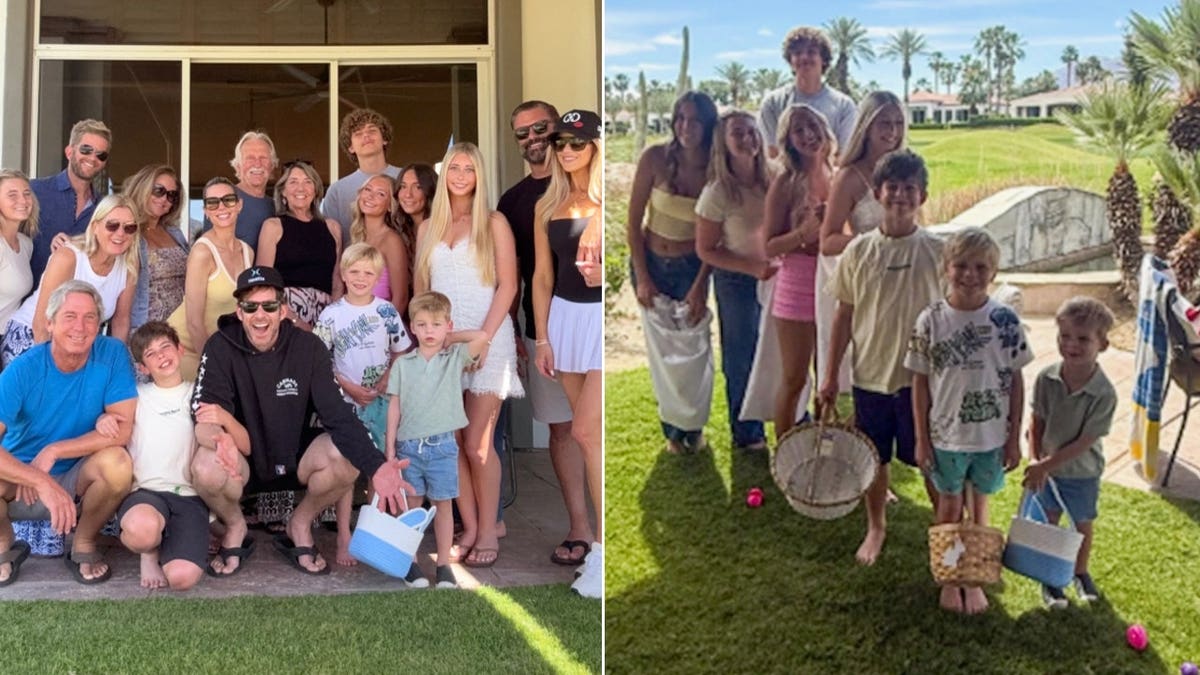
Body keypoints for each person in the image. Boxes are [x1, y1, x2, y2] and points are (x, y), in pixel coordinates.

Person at [190, 266, 414, 576]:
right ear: (239, 312)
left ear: (283, 310)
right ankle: (235, 525)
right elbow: (204, 418)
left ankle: (300, 522)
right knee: (204, 467)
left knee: (346, 459)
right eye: (250, 307)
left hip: (297, 456)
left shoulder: (309, 348)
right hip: (239, 458)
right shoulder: (219, 346)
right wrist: (220, 440)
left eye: (269, 306)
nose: (260, 315)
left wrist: (376, 466)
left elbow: (339, 416)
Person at [817, 149, 945, 566]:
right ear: (877, 193)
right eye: (893, 188)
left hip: (920, 383)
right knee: (873, 458)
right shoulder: (858, 251)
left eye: (910, 189)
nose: (901, 196)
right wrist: (830, 374)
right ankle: (876, 527)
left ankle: (945, 533)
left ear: (922, 196)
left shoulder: (940, 252)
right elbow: (844, 313)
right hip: (869, 377)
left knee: (929, 462)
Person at [906, 227, 1032, 614]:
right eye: (961, 265)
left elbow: (1016, 378)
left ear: (993, 272)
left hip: (991, 437)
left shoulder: (1005, 320)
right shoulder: (930, 320)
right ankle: (949, 579)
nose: (970, 274)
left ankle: (974, 579)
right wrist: (922, 438)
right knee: (947, 507)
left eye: (980, 267)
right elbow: (920, 382)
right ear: (946, 268)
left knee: (979, 509)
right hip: (946, 436)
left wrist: (1013, 438)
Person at [414, 142, 523, 569]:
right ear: (445, 175)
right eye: (454, 168)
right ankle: (474, 527)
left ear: (479, 175)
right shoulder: (427, 228)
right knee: (451, 440)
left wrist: (482, 337)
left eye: (469, 169)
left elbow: (509, 286)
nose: (461, 175)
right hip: (443, 344)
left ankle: (488, 527)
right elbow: (423, 294)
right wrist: (430, 339)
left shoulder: (494, 223)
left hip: (489, 338)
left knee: (479, 444)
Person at [498, 100, 590, 565]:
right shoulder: (514, 202)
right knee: (563, 430)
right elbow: (514, 273)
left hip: (593, 326)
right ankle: (580, 528)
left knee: (597, 428)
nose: (532, 138)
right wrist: (512, 331)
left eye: (541, 128)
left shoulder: (593, 193)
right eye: (522, 133)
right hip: (544, 331)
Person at [0, 280, 135, 585]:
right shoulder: (23, 370)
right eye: (70, 316)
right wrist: (37, 478)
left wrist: (54, 450)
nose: (81, 326)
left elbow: (122, 429)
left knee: (117, 463)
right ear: (49, 323)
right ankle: (3, 544)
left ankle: (84, 543)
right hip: (21, 476)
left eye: (90, 317)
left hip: (77, 473)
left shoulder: (111, 353)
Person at [102, 321, 247, 589]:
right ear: (143, 368)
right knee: (141, 531)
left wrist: (223, 436)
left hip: (189, 496)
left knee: (182, 579)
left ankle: (182, 536)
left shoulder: (199, 394)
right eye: (151, 354)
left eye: (165, 347)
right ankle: (150, 552)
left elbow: (230, 437)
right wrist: (104, 421)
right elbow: (112, 418)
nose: (161, 356)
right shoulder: (136, 396)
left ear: (180, 350)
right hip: (145, 491)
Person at [532, 108, 604, 599]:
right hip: (564, 319)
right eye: (561, 142)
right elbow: (542, 277)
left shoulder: (609, 201)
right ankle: (601, 548)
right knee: (587, 440)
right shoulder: (549, 204)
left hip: (603, 320)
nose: (568, 149)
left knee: (585, 431)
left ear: (597, 145)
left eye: (578, 141)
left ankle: (603, 549)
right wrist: (543, 336)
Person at [627, 91, 719, 454]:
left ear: (708, 125)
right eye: (680, 118)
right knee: (662, 353)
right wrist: (643, 277)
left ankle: (693, 427)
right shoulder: (654, 159)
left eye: (695, 119)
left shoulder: (716, 169)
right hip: (651, 264)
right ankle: (671, 432)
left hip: (691, 267)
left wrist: (700, 286)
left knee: (694, 350)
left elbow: (717, 236)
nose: (686, 126)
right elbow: (633, 225)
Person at [314, 243, 411, 566]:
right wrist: (348, 386)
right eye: (354, 272)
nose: (360, 278)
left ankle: (373, 533)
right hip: (345, 403)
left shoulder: (386, 311)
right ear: (343, 274)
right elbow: (319, 361)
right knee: (347, 470)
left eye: (368, 273)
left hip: (381, 404)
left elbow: (400, 351)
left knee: (379, 466)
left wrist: (386, 379)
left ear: (378, 277)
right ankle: (344, 535)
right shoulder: (332, 315)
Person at [386, 291, 489, 589]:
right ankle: (412, 562)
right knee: (413, 507)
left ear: (447, 325)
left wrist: (451, 337)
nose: (429, 331)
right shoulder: (404, 364)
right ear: (412, 328)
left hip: (442, 446)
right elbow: (394, 406)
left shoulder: (453, 357)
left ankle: (443, 564)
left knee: (443, 505)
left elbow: (482, 336)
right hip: (409, 445)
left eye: (436, 324)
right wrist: (390, 445)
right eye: (422, 324)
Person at [816, 91, 907, 414]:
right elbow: (827, 240)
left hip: (905, 280)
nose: (892, 132)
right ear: (867, 125)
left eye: (897, 123)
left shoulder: (905, 169)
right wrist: (874, 242)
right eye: (884, 123)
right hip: (867, 281)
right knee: (866, 365)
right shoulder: (849, 176)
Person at [1024, 296, 1117, 609]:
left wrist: (1046, 464)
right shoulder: (1046, 378)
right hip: (1047, 472)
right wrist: (1034, 460)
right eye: (1064, 336)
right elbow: (1035, 423)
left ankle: (1080, 572)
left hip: (1082, 473)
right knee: (1049, 521)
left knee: (1082, 525)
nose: (1071, 345)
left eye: (1082, 339)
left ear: (1102, 344)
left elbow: (1085, 441)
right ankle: (1051, 579)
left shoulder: (1104, 392)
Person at [695, 110, 775, 452]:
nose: (748, 139)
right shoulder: (717, 192)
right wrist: (751, 267)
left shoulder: (774, 179)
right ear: (724, 143)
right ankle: (747, 433)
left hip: (777, 277)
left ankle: (793, 418)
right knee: (741, 357)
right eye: (738, 133)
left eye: (752, 131)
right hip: (736, 282)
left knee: (777, 352)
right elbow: (706, 250)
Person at [2, 194, 139, 369]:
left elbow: (121, 322)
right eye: (112, 225)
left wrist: (116, 364)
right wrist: (48, 371)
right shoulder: (69, 257)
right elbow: (41, 323)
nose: (120, 233)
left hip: (77, 344)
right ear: (95, 226)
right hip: (32, 337)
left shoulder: (129, 266)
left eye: (129, 228)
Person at [763, 105, 834, 438]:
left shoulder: (837, 175)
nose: (808, 135)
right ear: (789, 141)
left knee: (829, 376)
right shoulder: (785, 183)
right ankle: (786, 455)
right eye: (798, 130)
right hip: (797, 283)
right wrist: (803, 233)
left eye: (812, 125)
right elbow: (769, 246)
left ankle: (822, 450)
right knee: (794, 378)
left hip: (834, 280)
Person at [166, 178, 254, 380]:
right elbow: (194, 322)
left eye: (228, 200)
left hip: (223, 349)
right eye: (213, 202)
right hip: (187, 349)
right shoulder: (202, 252)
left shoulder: (248, 252)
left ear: (239, 204)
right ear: (206, 211)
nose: (221, 207)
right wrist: (214, 366)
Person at [257, 160, 343, 330]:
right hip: (284, 314)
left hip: (326, 315)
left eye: (307, 182)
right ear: (283, 191)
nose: (301, 188)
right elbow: (264, 282)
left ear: (316, 190)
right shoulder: (273, 226)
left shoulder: (333, 228)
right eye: (293, 182)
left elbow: (337, 281)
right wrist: (294, 320)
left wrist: (333, 320)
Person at [30, 119, 112, 284]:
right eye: (86, 150)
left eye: (101, 155)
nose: (92, 158)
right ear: (69, 152)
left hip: (78, 303)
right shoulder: (34, 191)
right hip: (31, 303)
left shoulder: (104, 209)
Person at [758, 27, 856, 157]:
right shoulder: (772, 103)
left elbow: (843, 155)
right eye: (797, 53)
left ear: (824, 60)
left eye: (811, 52)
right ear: (790, 61)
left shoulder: (844, 105)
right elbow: (772, 154)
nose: (804, 57)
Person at [324, 109, 401, 247]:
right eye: (358, 134)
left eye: (372, 131)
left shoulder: (405, 179)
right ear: (351, 147)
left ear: (384, 139)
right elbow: (332, 243)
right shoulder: (337, 191)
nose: (366, 136)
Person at [125, 164, 188, 330]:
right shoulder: (126, 232)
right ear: (143, 188)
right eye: (158, 191)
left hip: (181, 330)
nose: (164, 199)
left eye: (172, 195)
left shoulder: (175, 233)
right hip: (146, 333)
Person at [348, 174, 410, 314]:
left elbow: (401, 298)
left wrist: (385, 331)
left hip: (380, 324)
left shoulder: (391, 240)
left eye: (380, 194)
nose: (371, 196)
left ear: (390, 205)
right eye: (368, 190)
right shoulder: (356, 237)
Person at [217, 131, 279, 250]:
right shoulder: (224, 200)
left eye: (263, 158)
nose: (257, 164)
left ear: (272, 165)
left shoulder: (275, 206)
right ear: (237, 166)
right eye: (250, 158)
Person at [0, 170, 38, 351]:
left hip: (7, 337)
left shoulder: (25, 244)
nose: (22, 201)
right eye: (12, 195)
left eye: (26, 194)